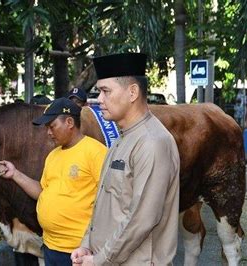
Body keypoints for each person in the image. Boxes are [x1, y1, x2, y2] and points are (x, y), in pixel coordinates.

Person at [71, 53, 180, 265]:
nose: (99, 99)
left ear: (132, 92)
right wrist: (86, 244)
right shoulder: (123, 138)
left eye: (105, 91)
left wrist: (101, 259)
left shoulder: (152, 142)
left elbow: (142, 218)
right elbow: (105, 205)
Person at [0, 97, 107, 265]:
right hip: (51, 246)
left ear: (69, 122)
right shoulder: (53, 156)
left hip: (79, 250)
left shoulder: (96, 152)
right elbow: (42, 191)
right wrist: (15, 174)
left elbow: (110, 200)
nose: (48, 132)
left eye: (52, 126)